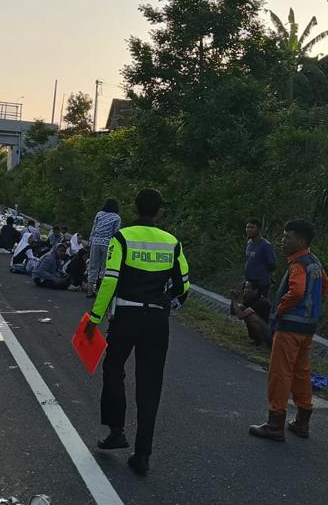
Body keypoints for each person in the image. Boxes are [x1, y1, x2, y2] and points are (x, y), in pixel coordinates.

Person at [84, 189, 189, 476]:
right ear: (160, 212)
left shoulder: (123, 238)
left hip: (126, 318)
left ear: (136, 208)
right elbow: (184, 286)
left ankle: (116, 431)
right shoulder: (172, 242)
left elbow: (110, 280)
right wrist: (166, 303)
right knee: (150, 385)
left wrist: (94, 317)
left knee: (115, 370)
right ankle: (142, 453)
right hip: (156, 321)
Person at [249, 219, 328, 442]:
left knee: (280, 373)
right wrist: (313, 307)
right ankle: (302, 421)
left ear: (301, 240)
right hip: (308, 327)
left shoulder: (298, 265)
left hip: (290, 327)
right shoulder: (315, 262)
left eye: (288, 237)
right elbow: (325, 286)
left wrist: (279, 311)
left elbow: (296, 291)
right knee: (301, 372)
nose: (283, 241)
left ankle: (275, 423)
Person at [87, 199, 122, 298]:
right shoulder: (116, 217)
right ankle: (101, 291)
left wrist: (90, 241)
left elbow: (94, 228)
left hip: (96, 242)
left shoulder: (99, 214)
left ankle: (89, 290)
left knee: (93, 266)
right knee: (104, 267)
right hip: (108, 243)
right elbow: (116, 232)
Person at [229, 280, 272, 347]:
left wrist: (234, 300)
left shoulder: (261, 302)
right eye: (245, 287)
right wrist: (234, 299)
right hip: (264, 330)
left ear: (255, 290)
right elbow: (233, 312)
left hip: (270, 334)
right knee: (242, 309)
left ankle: (263, 343)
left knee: (251, 317)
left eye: (247, 288)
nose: (245, 290)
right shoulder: (250, 300)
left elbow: (241, 315)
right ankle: (257, 340)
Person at [245, 218, 277, 300]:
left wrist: (262, 275)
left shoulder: (266, 245)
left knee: (257, 308)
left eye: (252, 227)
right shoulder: (249, 243)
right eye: (247, 227)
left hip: (261, 284)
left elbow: (272, 264)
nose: (249, 230)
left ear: (258, 229)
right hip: (249, 282)